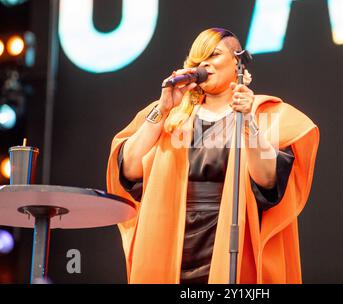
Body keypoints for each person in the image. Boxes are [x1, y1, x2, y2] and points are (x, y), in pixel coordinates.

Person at [106, 28, 319, 284]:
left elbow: (267, 180)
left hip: (233, 246)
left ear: (237, 62)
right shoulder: (171, 115)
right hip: (172, 245)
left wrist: (247, 121)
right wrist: (162, 109)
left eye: (214, 54)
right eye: (198, 60)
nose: (204, 64)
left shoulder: (265, 114)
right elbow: (128, 168)